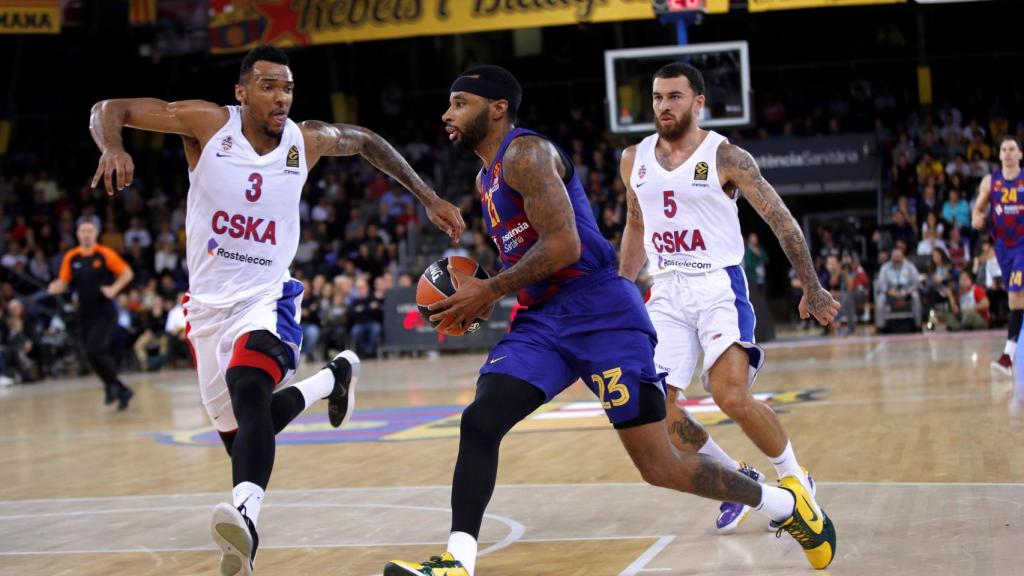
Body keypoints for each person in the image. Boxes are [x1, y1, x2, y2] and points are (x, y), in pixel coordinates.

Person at [384, 65, 835, 576]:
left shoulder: (528, 154)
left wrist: (489, 289)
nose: (447, 112)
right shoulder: (485, 178)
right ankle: (456, 562)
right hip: (545, 317)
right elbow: (572, 243)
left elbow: (565, 246)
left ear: (497, 108)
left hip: (602, 311)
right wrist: (490, 293)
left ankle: (784, 502)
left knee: (660, 466)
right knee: (480, 420)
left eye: (460, 102)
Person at [88, 45, 464, 576]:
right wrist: (113, 146)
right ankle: (331, 380)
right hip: (207, 307)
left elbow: (366, 142)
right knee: (244, 431)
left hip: (267, 296)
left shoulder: (304, 141)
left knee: (249, 386)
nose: (281, 96)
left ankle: (246, 517)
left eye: (287, 87)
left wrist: (427, 196)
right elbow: (110, 107)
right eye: (268, 86)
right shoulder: (206, 124)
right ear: (241, 93)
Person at [617, 62, 838, 541]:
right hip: (667, 289)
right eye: (657, 97)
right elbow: (636, 226)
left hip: (718, 283)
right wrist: (619, 289)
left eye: (674, 97)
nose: (663, 106)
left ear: (698, 102)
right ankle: (739, 478)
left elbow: (782, 220)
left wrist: (812, 285)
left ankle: (796, 478)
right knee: (660, 407)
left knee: (730, 395)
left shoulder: (727, 156)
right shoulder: (633, 159)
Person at [47, 220, 135, 409]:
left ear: (96, 233)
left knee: (96, 349)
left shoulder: (104, 254)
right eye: (83, 231)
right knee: (89, 354)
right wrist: (56, 287)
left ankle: (113, 386)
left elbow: (127, 273)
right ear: (78, 234)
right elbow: (63, 282)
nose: (86, 234)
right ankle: (117, 388)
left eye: (90, 230)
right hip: (84, 313)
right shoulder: (72, 257)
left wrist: (113, 289)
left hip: (104, 311)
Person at [972, 136, 1024, 376]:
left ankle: (1008, 357)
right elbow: (978, 209)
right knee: (1017, 300)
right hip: (1003, 246)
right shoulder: (990, 182)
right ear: (1000, 154)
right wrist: (976, 217)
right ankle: (1010, 357)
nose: (1008, 153)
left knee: (1015, 298)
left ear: (1020, 155)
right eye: (1004, 149)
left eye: (1012, 149)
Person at [875, 246, 923, 331]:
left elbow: (916, 282)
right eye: (895, 256)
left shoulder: (910, 266)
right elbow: (881, 284)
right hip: (891, 294)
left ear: (902, 256)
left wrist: (908, 291)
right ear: (891, 257)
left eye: (899, 256)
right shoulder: (885, 267)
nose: (897, 258)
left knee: (916, 296)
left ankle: (918, 325)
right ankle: (881, 327)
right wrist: (890, 292)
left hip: (907, 293)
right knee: (880, 299)